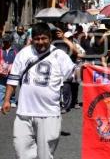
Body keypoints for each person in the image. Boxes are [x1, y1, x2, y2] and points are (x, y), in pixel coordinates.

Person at [1, 23, 76, 159]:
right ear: (32, 39)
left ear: (50, 38)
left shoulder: (59, 55)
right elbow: (12, 79)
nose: (40, 42)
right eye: (37, 38)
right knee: (21, 150)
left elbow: (74, 73)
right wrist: (6, 100)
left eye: (43, 38)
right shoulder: (24, 53)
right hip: (24, 112)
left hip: (49, 114)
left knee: (45, 154)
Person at [0, 34, 17, 109]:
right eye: (4, 42)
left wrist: (12, 65)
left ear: (10, 42)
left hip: (11, 72)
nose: (5, 43)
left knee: (11, 87)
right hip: (2, 72)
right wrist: (2, 63)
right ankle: (1, 102)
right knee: (1, 87)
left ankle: (12, 101)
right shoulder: (1, 50)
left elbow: (17, 60)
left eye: (7, 42)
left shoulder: (14, 50)